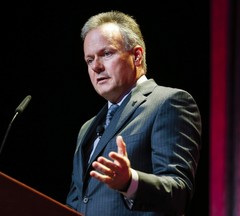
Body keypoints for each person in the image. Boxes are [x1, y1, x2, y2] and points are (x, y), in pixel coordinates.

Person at [66, 10, 202, 216]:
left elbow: (178, 192)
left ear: (137, 56)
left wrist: (130, 181)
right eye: (89, 60)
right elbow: (76, 201)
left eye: (106, 54)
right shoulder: (87, 128)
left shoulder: (168, 103)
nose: (96, 67)